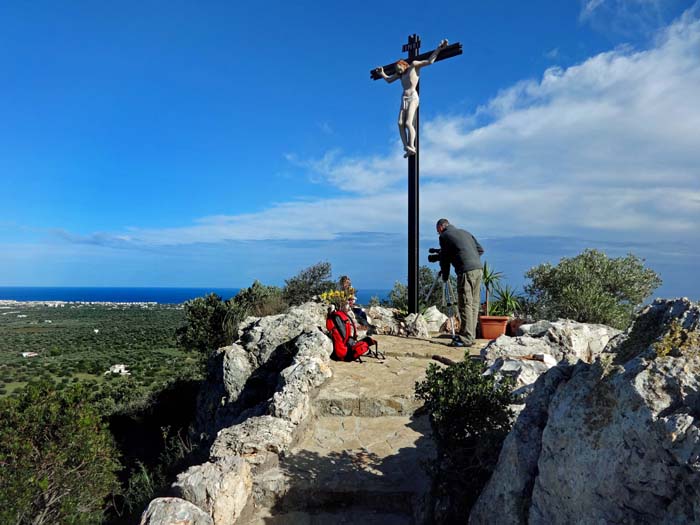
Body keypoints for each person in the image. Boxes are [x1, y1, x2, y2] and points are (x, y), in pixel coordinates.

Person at [377, 39, 448, 157]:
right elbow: (389, 80)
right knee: (400, 123)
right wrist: (382, 73)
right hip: (404, 99)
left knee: (409, 123)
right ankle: (406, 147)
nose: (397, 70)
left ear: (403, 64)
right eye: (396, 69)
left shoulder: (414, 65)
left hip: (413, 97)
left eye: (398, 66)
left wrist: (439, 49)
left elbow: (429, 61)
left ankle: (412, 146)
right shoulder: (400, 75)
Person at [436, 218, 484, 345]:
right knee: (474, 303)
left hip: (466, 272)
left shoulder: (444, 236)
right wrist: (466, 256)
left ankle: (467, 337)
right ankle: (470, 335)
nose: (438, 234)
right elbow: (480, 250)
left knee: (465, 303)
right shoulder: (465, 232)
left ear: (441, 227)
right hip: (478, 270)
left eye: (437, 232)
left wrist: (445, 275)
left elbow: (445, 259)